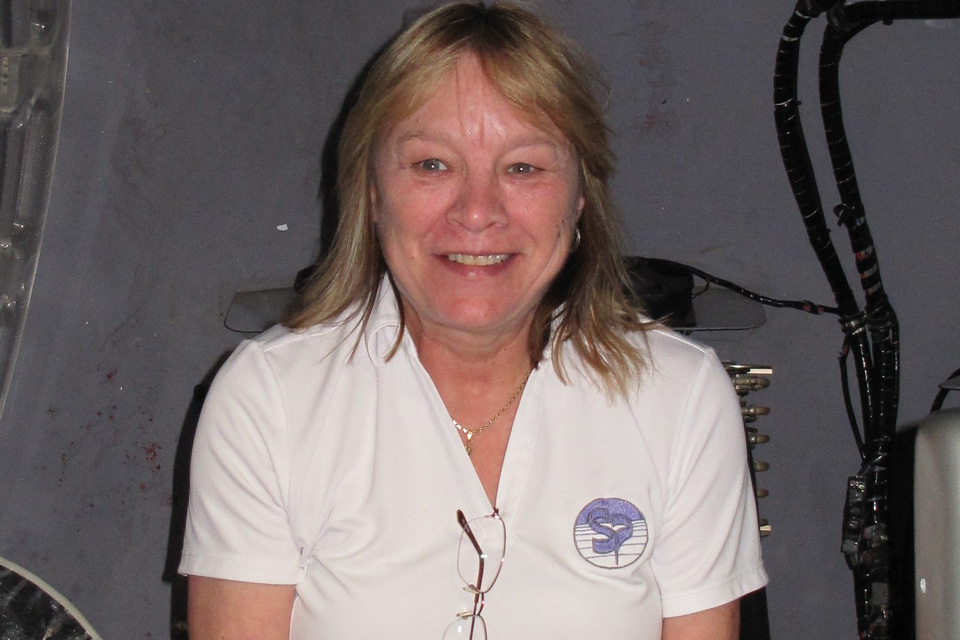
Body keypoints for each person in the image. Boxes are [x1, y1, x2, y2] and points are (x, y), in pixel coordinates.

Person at [178, 2, 768, 639]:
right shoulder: (270, 402)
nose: (478, 211)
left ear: (578, 198)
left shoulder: (679, 398)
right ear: (373, 193)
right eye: (432, 164)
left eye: (523, 167)